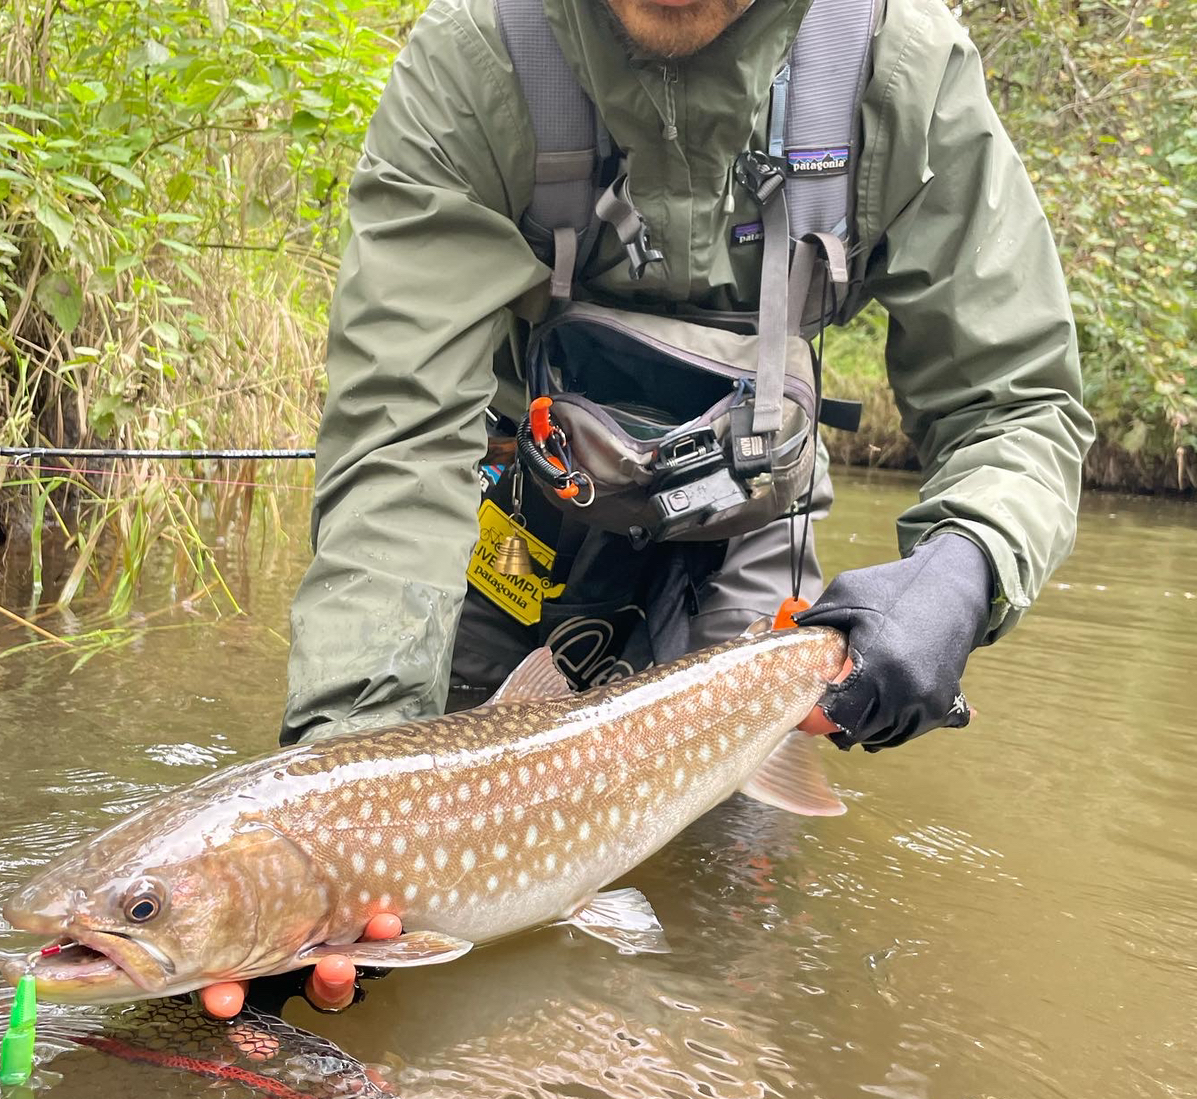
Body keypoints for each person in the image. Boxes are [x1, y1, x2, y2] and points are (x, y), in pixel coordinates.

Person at [205, 0, 1094, 1016]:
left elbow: (1015, 404)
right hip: (529, 506)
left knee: (733, 900)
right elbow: (399, 441)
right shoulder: (475, 62)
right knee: (416, 893)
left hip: (751, 525)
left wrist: (965, 564)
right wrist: (347, 783)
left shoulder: (897, 68)